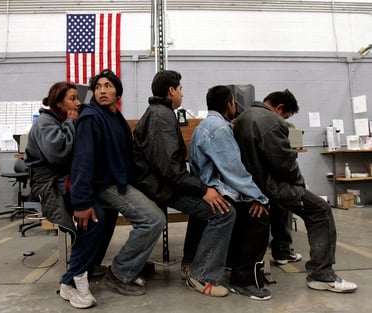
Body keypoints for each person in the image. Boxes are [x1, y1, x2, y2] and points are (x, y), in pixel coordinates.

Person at [233, 89, 358, 293]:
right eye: (286, 116)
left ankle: (282, 251)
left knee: (284, 207)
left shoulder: (243, 117)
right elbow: (285, 163)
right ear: (280, 108)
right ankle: (322, 275)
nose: (284, 119)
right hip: (271, 186)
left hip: (253, 186)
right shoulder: (272, 121)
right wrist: (300, 186)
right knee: (321, 211)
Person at [132, 70, 236, 297]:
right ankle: (202, 276)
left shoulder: (160, 113)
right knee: (224, 212)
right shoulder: (162, 117)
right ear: (171, 90)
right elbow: (171, 170)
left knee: (206, 208)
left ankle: (189, 264)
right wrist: (203, 189)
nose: (182, 93)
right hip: (161, 188)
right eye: (180, 89)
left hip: (160, 183)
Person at [69, 69, 166, 297]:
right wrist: (81, 203)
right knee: (154, 219)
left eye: (108, 86)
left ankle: (114, 265)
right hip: (104, 186)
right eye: (98, 87)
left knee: (154, 209)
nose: (102, 90)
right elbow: (82, 162)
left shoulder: (115, 118)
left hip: (117, 181)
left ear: (117, 94)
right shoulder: (91, 117)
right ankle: (120, 273)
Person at [189, 85, 271, 300]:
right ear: (229, 104)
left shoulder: (207, 125)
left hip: (209, 186)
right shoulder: (220, 129)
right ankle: (242, 280)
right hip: (217, 190)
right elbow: (234, 172)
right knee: (259, 213)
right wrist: (259, 196)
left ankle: (234, 266)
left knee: (248, 207)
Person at [25, 81, 101, 309]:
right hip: (48, 182)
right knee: (94, 218)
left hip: (62, 178)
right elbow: (58, 153)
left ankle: (85, 267)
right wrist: (71, 122)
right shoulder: (47, 123)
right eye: (72, 99)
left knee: (101, 212)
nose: (78, 102)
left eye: (78, 98)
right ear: (58, 102)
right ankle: (71, 279)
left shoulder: (59, 119)